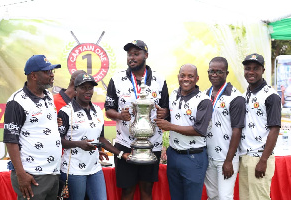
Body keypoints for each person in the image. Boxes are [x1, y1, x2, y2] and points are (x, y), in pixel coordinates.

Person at [104, 40, 169, 200]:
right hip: (125, 144)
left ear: (146, 55)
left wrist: (163, 113)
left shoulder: (159, 80)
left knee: (147, 190)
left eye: (136, 54)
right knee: (127, 191)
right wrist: (120, 115)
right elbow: (108, 110)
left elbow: (166, 109)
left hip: (151, 144)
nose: (131, 57)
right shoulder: (117, 79)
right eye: (129, 54)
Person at [3, 55, 62, 200]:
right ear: (34, 76)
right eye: (47, 72)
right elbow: (11, 141)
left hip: (53, 172)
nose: (52, 74)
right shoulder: (16, 102)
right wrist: (21, 174)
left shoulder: (48, 95)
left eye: (52, 71)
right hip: (32, 175)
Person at [154, 64, 212, 200]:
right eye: (183, 75)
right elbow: (173, 115)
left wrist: (170, 126)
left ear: (197, 78)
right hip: (174, 155)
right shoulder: (173, 94)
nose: (186, 79)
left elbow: (199, 130)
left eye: (190, 76)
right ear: (178, 77)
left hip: (193, 157)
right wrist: (165, 113)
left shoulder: (204, 100)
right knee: (175, 197)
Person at [58, 73, 109, 200]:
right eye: (83, 87)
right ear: (75, 90)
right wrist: (79, 144)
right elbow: (58, 140)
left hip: (95, 167)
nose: (88, 91)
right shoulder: (65, 111)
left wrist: (117, 153)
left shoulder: (97, 110)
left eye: (90, 88)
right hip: (74, 169)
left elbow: (100, 138)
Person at [239, 53, 281, 200]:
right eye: (247, 68)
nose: (251, 72)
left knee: (259, 198)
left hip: (259, 158)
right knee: (245, 197)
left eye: (255, 68)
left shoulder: (271, 96)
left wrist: (263, 160)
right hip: (244, 156)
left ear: (263, 70)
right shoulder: (245, 95)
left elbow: (275, 129)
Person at [203, 57, 245, 200]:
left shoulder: (235, 97)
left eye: (219, 71)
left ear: (226, 73)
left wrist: (228, 161)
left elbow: (237, 130)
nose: (214, 74)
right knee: (212, 196)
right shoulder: (204, 95)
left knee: (225, 197)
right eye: (211, 71)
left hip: (226, 158)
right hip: (208, 157)